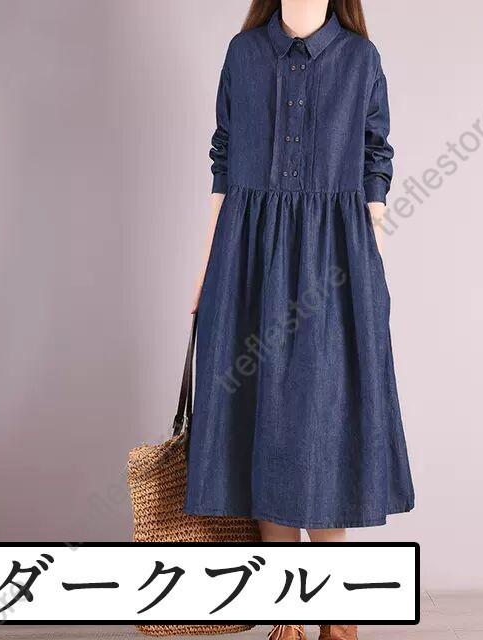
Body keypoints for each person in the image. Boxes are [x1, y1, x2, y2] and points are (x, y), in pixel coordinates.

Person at [185, 1, 415, 637]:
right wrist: (205, 268)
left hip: (334, 260)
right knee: (259, 420)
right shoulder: (244, 53)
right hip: (246, 256)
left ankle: (336, 612)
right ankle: (285, 613)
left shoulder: (360, 58)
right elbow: (224, 160)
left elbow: (375, 160)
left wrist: (370, 265)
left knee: (323, 425)